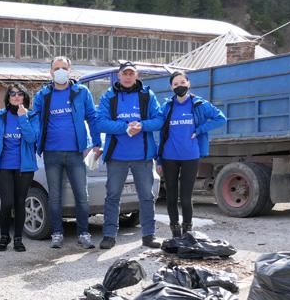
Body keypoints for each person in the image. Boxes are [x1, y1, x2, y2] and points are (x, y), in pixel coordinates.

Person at [32, 56, 102, 249]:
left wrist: (97, 142)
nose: (60, 71)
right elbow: (34, 121)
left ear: (70, 71)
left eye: (64, 68)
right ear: (51, 72)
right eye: (57, 68)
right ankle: (57, 233)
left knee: (82, 195)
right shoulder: (43, 95)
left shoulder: (81, 92)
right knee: (54, 196)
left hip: (76, 153)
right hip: (51, 152)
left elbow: (92, 118)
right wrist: (34, 143)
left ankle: (84, 233)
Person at [97, 61, 163, 250]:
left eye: (131, 73)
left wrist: (142, 125)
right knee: (112, 196)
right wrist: (125, 128)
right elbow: (100, 122)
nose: (127, 77)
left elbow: (159, 120)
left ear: (137, 76)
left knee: (147, 197)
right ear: (118, 76)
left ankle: (149, 235)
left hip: (142, 156)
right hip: (117, 156)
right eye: (124, 73)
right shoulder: (109, 96)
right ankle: (109, 235)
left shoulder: (147, 96)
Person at [157, 70, 226, 237]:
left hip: (191, 156)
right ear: (171, 87)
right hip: (169, 156)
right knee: (171, 197)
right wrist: (159, 160)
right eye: (175, 84)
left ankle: (187, 230)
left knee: (186, 197)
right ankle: (175, 231)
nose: (179, 86)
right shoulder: (167, 106)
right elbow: (161, 133)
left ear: (188, 84)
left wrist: (200, 129)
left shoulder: (199, 104)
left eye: (182, 83)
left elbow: (221, 119)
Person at [0, 84, 39, 252]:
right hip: (4, 166)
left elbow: (31, 138)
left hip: (24, 168)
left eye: (20, 94)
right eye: (12, 94)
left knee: (19, 202)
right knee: (7, 202)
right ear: (8, 98)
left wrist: (23, 118)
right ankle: (4, 236)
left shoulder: (32, 116)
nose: (16, 97)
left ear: (25, 97)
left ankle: (18, 238)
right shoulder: (0, 117)